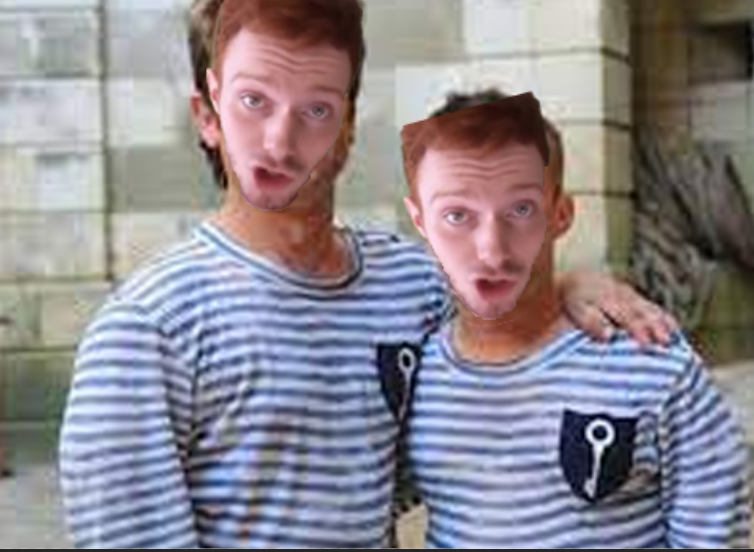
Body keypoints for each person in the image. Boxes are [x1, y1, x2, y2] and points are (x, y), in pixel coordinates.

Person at [58, 1, 679, 548]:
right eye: (254, 102)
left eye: (316, 107)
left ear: (349, 127)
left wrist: (567, 285)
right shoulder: (144, 334)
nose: (280, 140)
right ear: (208, 116)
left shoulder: (415, 288)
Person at [400, 89, 752, 548]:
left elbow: (715, 539)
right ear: (421, 221)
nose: (491, 248)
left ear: (561, 214)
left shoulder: (653, 363)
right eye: (457, 215)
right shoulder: (408, 377)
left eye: (520, 210)